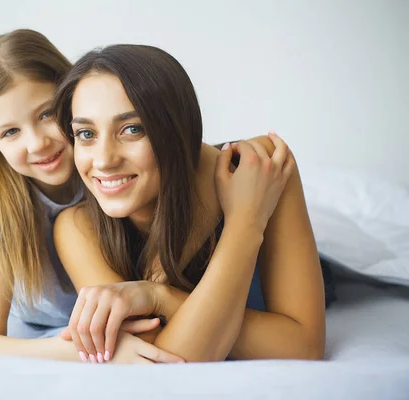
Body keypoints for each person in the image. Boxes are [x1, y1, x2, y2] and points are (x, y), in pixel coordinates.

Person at [53, 44, 326, 363]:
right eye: (86, 134)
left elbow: (304, 347)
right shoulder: (77, 227)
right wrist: (243, 221)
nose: (103, 160)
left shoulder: (257, 168)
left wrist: (243, 223)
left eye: (132, 129)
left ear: (178, 129)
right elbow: (163, 358)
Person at [0, 30, 182, 363]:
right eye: (11, 131)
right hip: (50, 324)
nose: (37, 143)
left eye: (47, 114)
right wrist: (89, 351)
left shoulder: (111, 176)